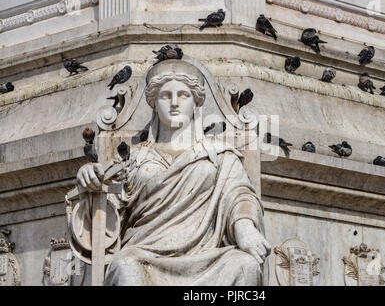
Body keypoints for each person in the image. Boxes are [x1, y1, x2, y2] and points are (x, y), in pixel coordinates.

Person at [73, 59, 271, 285]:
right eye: (166, 96)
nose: (174, 103)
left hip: (206, 255)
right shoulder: (133, 158)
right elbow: (110, 206)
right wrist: (90, 181)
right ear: (154, 104)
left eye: (183, 96)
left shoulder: (220, 155)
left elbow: (240, 195)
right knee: (125, 266)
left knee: (244, 265)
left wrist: (244, 227)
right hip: (145, 252)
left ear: (196, 102)